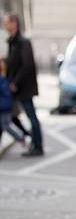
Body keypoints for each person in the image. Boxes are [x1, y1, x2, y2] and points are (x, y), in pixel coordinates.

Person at [3, 13, 44, 156]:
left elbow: (27, 65)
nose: (5, 25)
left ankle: (37, 146)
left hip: (24, 87)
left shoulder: (23, 42)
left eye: (7, 22)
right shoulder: (12, 41)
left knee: (31, 116)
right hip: (14, 87)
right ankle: (30, 138)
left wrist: (15, 82)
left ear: (14, 24)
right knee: (9, 115)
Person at [0, 58, 26, 147]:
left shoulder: (2, 80)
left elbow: (6, 93)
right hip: (5, 107)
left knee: (5, 126)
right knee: (4, 126)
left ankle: (21, 138)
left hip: (4, 107)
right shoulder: (4, 79)